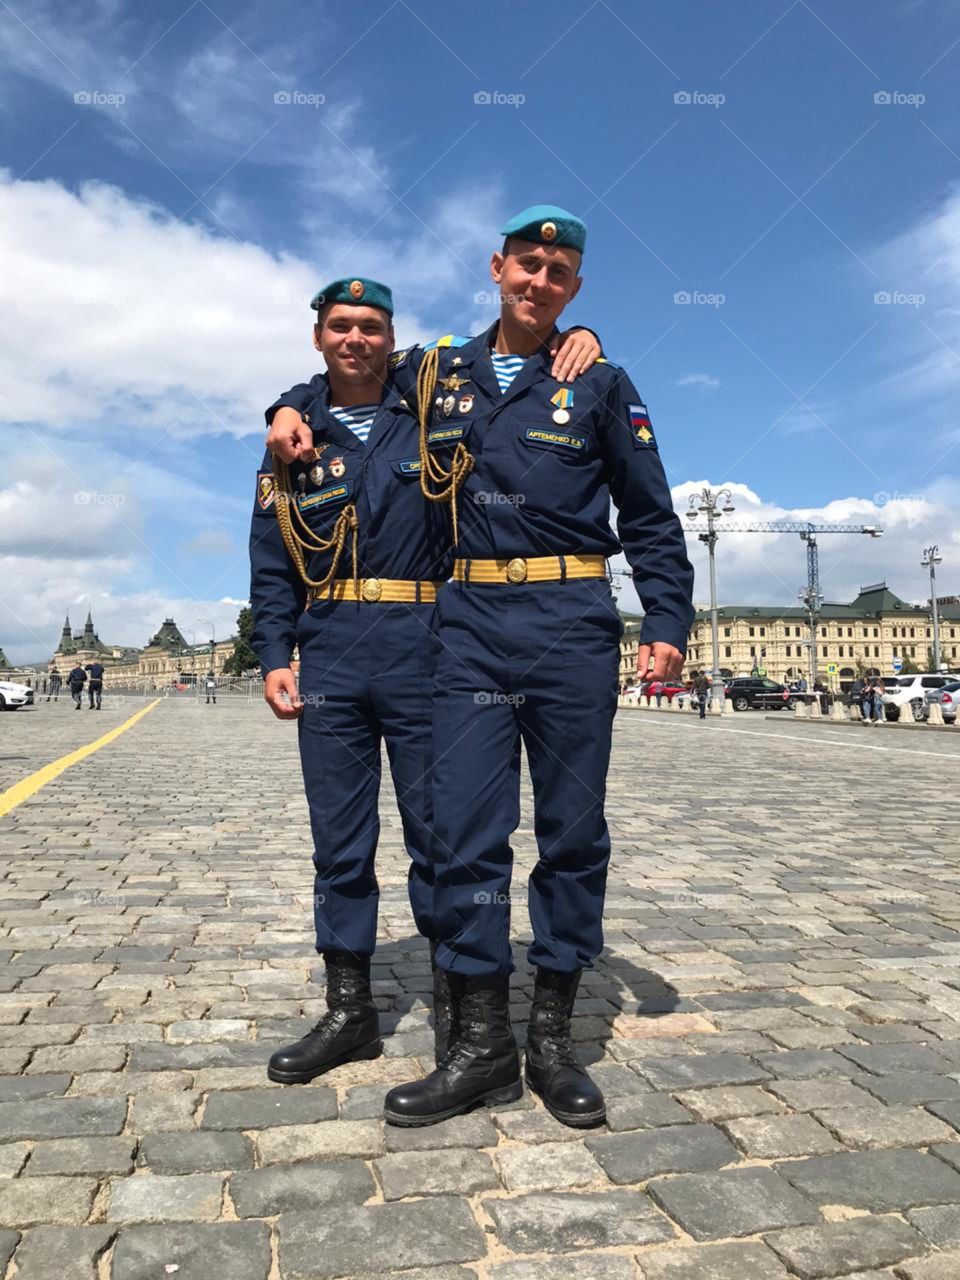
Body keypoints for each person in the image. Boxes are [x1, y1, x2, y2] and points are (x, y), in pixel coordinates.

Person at [375, 205, 694, 1130]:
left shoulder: (600, 382)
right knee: (464, 832)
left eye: (558, 273)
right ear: (497, 268)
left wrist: (667, 614)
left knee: (572, 830)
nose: (539, 281)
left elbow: (651, 513)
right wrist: (285, 406)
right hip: (468, 620)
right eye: (527, 265)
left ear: (575, 288)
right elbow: (347, 376)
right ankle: (480, 1048)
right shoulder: (434, 374)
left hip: (570, 620)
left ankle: (551, 1039)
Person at [253, 273, 604, 1085]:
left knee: (441, 842)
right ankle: (350, 1012)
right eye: (340, 327)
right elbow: (271, 564)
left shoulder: (433, 412)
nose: (355, 340)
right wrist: (275, 655)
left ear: (392, 338)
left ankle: (461, 1014)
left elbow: (505, 365)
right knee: (339, 846)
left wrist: (579, 340)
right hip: (332, 646)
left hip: (427, 644)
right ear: (318, 339)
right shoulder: (292, 439)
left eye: (371, 327)